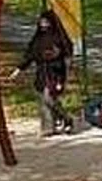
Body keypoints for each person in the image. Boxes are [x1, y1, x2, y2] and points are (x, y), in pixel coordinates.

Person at [10, 8, 74, 136]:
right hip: (41, 73)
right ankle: (48, 127)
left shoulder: (59, 37)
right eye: (42, 22)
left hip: (55, 72)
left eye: (46, 22)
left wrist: (63, 77)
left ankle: (66, 118)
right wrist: (18, 70)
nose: (43, 24)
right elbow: (29, 56)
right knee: (43, 100)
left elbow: (67, 54)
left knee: (49, 98)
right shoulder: (37, 39)